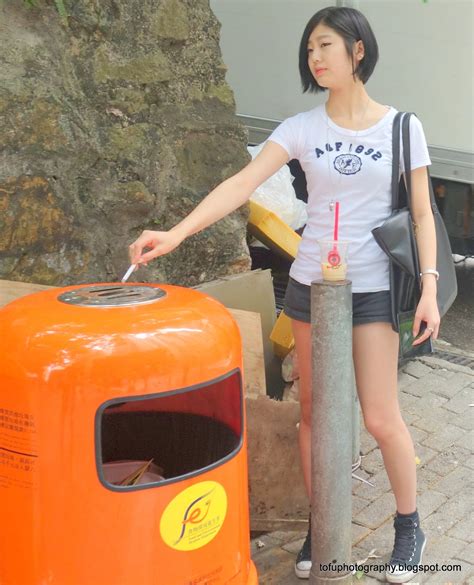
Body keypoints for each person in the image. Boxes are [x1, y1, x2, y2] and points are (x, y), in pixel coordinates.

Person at [129, 6, 440, 583]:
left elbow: (422, 215)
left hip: (371, 289)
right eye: (310, 51)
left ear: (358, 51)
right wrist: (174, 233)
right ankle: (322, 523)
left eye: (325, 46)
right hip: (311, 290)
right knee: (313, 413)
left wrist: (429, 288)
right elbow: (241, 185)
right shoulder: (302, 128)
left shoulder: (402, 127)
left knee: (378, 416)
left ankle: (409, 524)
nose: (315, 58)